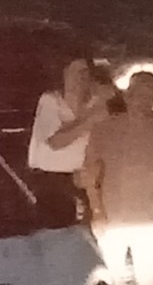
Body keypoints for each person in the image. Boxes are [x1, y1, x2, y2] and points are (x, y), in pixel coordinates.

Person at [85, 70, 153, 285]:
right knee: (112, 278)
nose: (144, 100)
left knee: (150, 279)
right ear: (127, 95)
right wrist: (96, 211)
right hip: (111, 219)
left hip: (150, 220)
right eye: (139, 93)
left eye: (150, 95)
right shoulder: (104, 128)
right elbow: (90, 172)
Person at [27, 56, 112, 228]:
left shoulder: (96, 103)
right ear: (64, 74)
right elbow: (55, 142)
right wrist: (90, 119)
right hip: (51, 182)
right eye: (75, 71)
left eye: (85, 71)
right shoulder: (51, 101)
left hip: (83, 179)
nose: (81, 77)